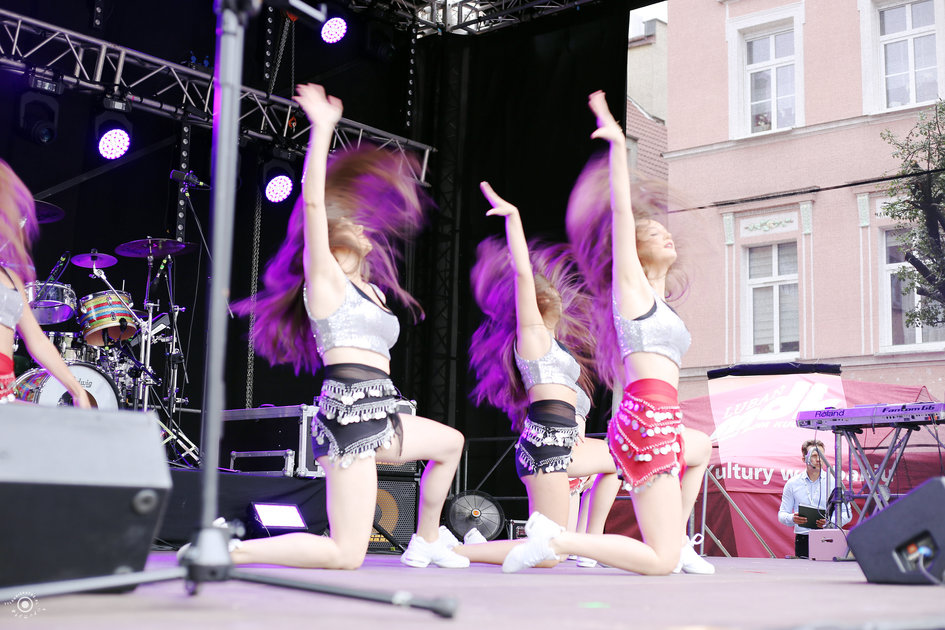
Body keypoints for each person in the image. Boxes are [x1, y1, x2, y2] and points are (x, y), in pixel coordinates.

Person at [220, 84, 467, 570]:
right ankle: (231, 549)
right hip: (350, 418)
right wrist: (322, 129)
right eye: (351, 221)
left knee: (450, 443)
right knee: (346, 553)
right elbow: (313, 204)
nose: (361, 226)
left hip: (382, 412)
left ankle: (426, 539)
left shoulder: (374, 292)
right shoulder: (326, 281)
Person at [501, 90, 715, 575]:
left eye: (666, 231)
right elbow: (621, 214)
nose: (666, 234)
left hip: (662, 417)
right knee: (659, 561)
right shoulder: (631, 292)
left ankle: (665, 543)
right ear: (633, 251)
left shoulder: (661, 303)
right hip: (645, 418)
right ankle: (561, 538)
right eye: (653, 232)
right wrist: (618, 146)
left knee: (698, 459)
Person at [458, 182, 620, 567]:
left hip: (562, 443)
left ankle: (589, 541)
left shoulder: (555, 345)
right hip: (546, 447)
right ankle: (454, 549)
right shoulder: (531, 338)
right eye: (543, 293)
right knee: (547, 554)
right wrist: (513, 219)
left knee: (624, 458)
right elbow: (521, 275)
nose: (557, 295)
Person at [0, 159, 90, 408]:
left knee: (57, 423)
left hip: (4, 393)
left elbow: (37, 340)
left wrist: (77, 390)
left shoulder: (11, 279)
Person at [778, 439, 852, 559]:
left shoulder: (834, 482)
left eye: (821, 455)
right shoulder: (792, 483)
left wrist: (830, 522)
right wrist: (792, 518)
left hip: (827, 537)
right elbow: (782, 514)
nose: (819, 459)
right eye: (814, 455)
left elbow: (847, 514)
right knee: (803, 570)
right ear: (804, 459)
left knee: (828, 569)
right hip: (803, 538)